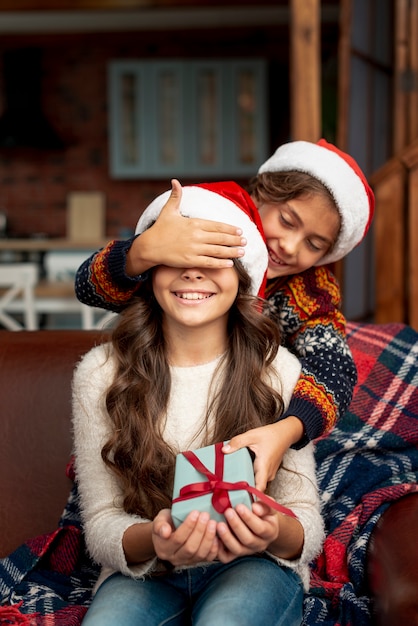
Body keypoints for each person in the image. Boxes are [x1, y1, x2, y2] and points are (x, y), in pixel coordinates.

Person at [72, 181, 324, 626]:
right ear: (150, 271)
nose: (193, 272)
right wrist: (156, 538)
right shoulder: (100, 372)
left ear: (242, 279)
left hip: (253, 565)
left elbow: (305, 521)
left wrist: (271, 531)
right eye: (177, 259)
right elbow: (101, 520)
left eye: (215, 261)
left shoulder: (278, 369)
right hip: (148, 574)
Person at [75, 139, 375, 491]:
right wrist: (141, 252)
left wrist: (288, 429)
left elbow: (334, 365)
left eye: (314, 244)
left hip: (245, 420)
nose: (290, 246)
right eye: (287, 220)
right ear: (262, 193)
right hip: (155, 413)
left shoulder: (308, 292)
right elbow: (88, 287)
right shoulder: (208, 233)